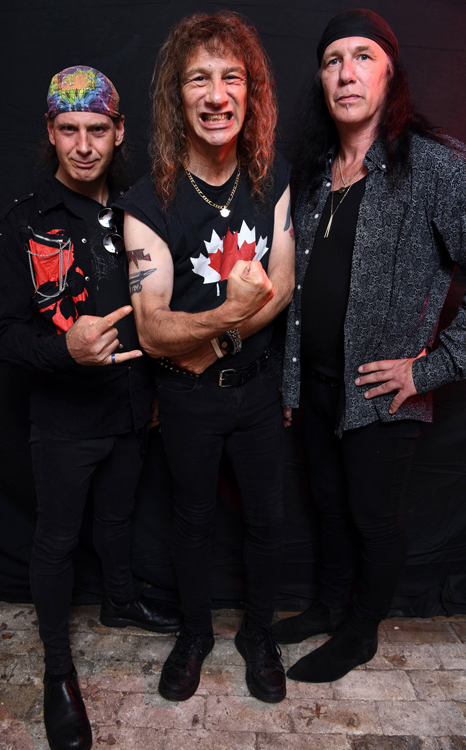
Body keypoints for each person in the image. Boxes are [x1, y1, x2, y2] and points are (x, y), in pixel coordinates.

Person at [0, 66, 181, 750]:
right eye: (69, 129)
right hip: (64, 421)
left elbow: (161, 310)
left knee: (119, 515)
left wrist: (155, 393)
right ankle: (58, 672)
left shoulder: (139, 211)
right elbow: (0, 336)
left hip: (131, 410)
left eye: (97, 129)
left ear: (119, 131)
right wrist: (63, 350)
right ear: (51, 131)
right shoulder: (25, 222)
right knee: (58, 539)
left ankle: (120, 601)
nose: (84, 145)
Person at [273, 9, 466, 683]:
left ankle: (359, 632)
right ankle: (329, 606)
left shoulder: (435, 165)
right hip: (316, 386)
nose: (346, 73)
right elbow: (299, 286)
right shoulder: (315, 173)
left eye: (362, 57)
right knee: (327, 506)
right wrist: (293, 381)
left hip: (383, 394)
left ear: (389, 73)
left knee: (372, 518)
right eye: (333, 60)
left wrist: (432, 368)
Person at [115, 11, 295, 704]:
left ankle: (258, 634)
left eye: (232, 77)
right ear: (178, 95)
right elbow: (154, 330)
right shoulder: (146, 201)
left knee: (267, 519)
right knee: (191, 520)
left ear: (251, 93)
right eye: (199, 79)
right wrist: (230, 311)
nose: (217, 95)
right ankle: (195, 634)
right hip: (186, 398)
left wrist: (220, 338)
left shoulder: (272, 178)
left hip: (256, 386)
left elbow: (283, 286)